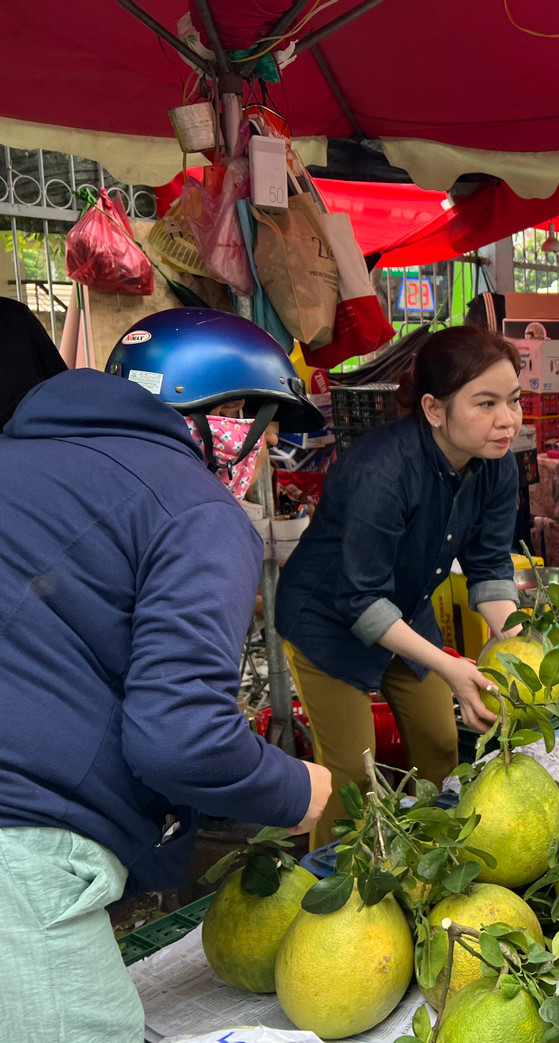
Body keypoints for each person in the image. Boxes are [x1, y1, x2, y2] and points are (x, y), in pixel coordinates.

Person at [0, 308, 332, 1043]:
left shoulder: (24, 460)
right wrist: (294, 789)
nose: (268, 448)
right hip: (19, 847)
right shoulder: (195, 507)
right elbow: (182, 736)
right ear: (228, 415)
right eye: (264, 423)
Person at [275, 324, 522, 849]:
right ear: (435, 410)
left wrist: (518, 643)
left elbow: (489, 565)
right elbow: (361, 600)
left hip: (405, 612)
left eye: (514, 400)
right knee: (352, 779)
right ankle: (329, 898)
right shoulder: (381, 472)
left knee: (438, 742)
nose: (508, 420)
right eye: (485, 403)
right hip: (327, 623)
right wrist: (450, 664)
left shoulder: (497, 464)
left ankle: (430, 862)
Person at [0, 296, 66, 427]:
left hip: (32, 426)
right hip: (34, 425)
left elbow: (59, 376)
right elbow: (59, 376)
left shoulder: (16, 314)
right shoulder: (15, 313)